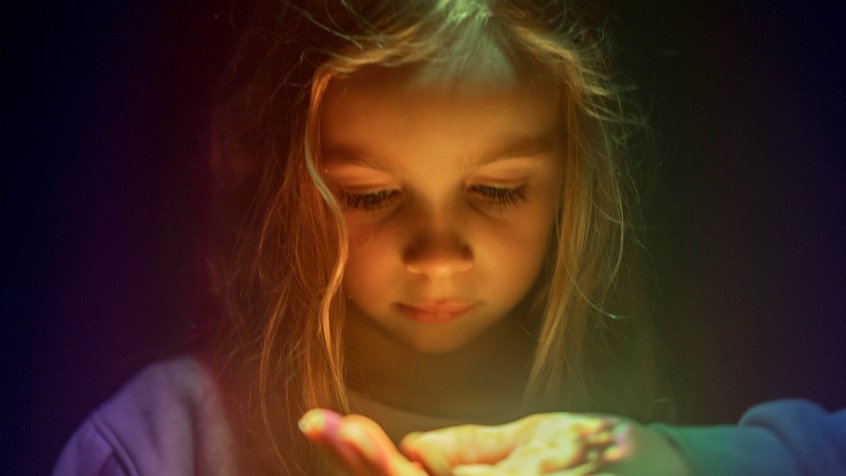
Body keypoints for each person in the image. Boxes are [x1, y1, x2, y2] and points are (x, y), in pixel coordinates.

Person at [50, 0, 845, 474]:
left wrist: (685, 462)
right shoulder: (158, 446)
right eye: (369, 196)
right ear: (284, 187)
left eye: (497, 191)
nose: (436, 254)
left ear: (575, 186)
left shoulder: (637, 418)